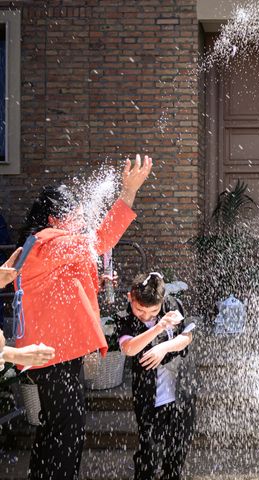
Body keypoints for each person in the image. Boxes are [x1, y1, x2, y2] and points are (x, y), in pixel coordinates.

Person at [15, 154, 152, 480]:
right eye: (74, 214)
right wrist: (128, 191)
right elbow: (100, 241)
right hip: (52, 358)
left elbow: (60, 282)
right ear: (54, 217)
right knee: (66, 434)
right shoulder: (47, 241)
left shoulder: (40, 246)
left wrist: (97, 280)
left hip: (49, 356)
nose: (80, 218)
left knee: (54, 430)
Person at [114, 272, 195, 480]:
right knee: (149, 454)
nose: (147, 316)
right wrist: (158, 326)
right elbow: (129, 348)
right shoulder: (125, 318)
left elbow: (187, 337)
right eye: (140, 310)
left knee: (177, 454)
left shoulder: (171, 305)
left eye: (153, 311)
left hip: (180, 395)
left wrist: (164, 348)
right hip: (150, 400)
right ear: (131, 298)